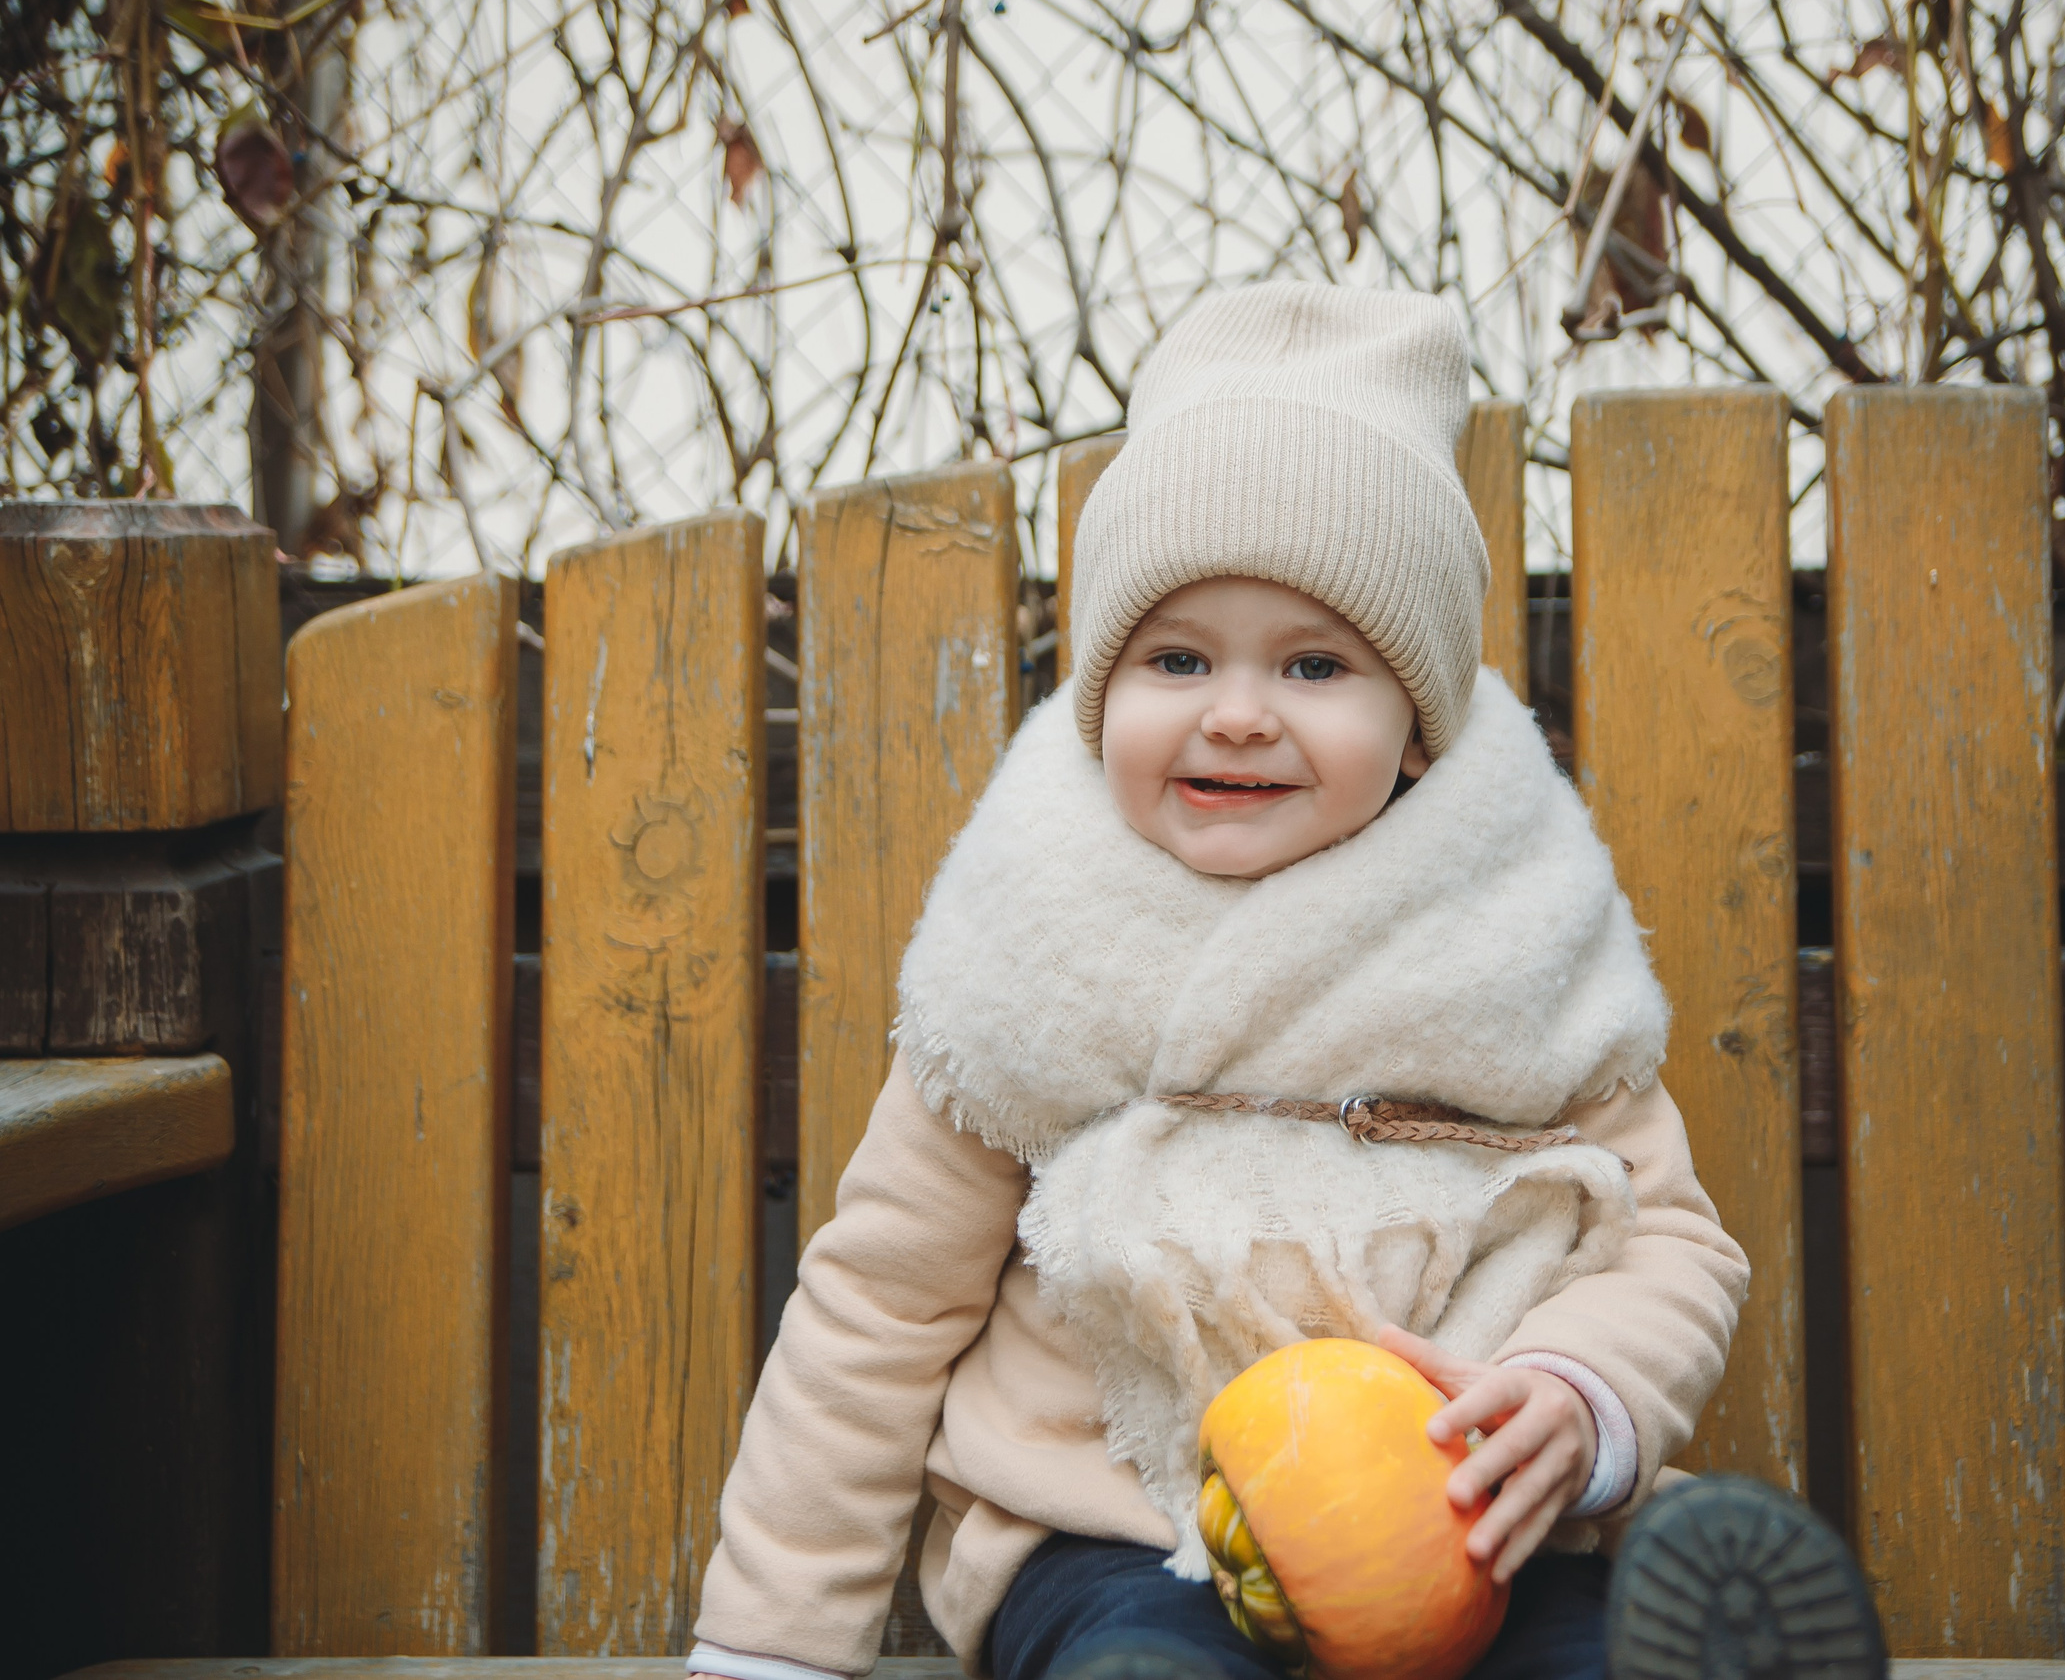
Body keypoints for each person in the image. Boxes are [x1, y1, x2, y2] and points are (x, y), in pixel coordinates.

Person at [686, 282, 1883, 1680]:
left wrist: (1580, 1401)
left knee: (1578, 1648)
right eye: (1176, 657)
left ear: (1420, 728)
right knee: (1140, 1659)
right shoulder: (1031, 957)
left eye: (1316, 664)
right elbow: (880, 1310)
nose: (1239, 710)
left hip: (1473, 1530)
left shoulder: (1512, 935)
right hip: (1127, 1536)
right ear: (1101, 691)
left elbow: (1666, 1238)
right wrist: (768, 1652)